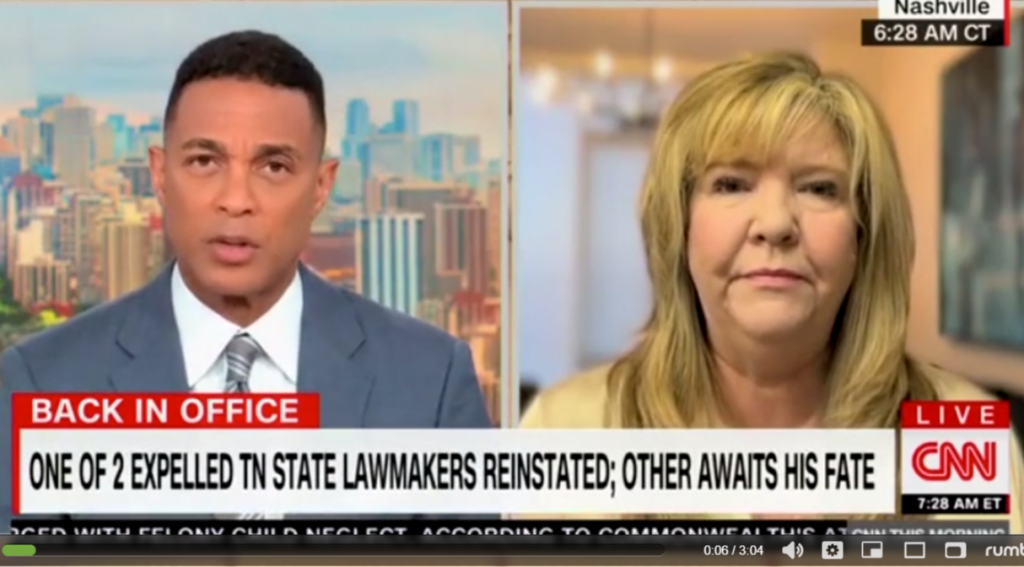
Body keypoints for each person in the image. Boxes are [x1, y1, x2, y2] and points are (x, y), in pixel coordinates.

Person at [0, 30, 491, 531]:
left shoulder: (429, 379)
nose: (236, 200)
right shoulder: (42, 382)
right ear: (160, 174)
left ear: (321, 187)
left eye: (274, 166)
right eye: (204, 161)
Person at [520, 53, 1024, 528]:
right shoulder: (567, 428)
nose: (776, 224)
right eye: (732, 184)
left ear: (864, 233)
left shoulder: (959, 434)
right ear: (679, 225)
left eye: (819, 188)